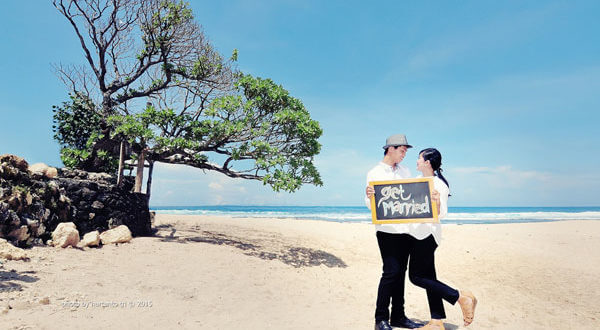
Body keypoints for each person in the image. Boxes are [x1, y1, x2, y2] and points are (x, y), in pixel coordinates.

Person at [408, 148, 477, 329]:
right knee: (429, 277)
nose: (416, 161)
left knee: (416, 277)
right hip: (415, 234)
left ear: (427, 163)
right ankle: (437, 320)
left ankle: (459, 297)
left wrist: (437, 202)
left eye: (419, 158)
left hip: (428, 235)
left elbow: (443, 213)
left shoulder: (439, 184)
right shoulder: (416, 181)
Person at [365, 134, 424, 330]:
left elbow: (415, 195)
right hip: (387, 231)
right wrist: (369, 197)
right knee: (390, 272)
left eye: (406, 150)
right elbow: (370, 204)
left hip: (406, 231)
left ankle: (399, 316)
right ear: (390, 148)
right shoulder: (374, 172)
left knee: (401, 273)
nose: (405, 154)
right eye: (402, 150)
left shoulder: (405, 171)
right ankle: (380, 318)